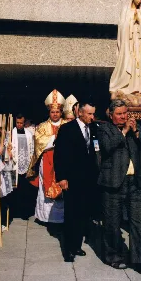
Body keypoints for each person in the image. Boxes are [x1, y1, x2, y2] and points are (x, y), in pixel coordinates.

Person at [97, 99, 141, 273]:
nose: (123, 117)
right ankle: (114, 256)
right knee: (112, 222)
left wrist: (136, 132)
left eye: (125, 113)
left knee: (138, 222)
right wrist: (124, 132)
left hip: (134, 183)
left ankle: (139, 260)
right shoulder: (104, 129)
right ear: (111, 115)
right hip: (113, 183)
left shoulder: (135, 128)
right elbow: (107, 147)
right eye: (119, 114)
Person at [54, 102, 99, 262]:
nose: (92, 117)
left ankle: (77, 245)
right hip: (72, 179)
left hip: (88, 180)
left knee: (83, 214)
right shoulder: (67, 129)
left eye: (93, 114)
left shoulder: (93, 129)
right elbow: (59, 155)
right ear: (80, 113)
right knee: (72, 214)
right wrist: (62, 177)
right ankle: (68, 250)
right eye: (89, 114)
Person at [27, 89, 66, 224]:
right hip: (47, 160)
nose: (55, 114)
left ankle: (61, 218)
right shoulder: (43, 126)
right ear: (49, 112)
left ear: (61, 112)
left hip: (63, 161)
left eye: (57, 112)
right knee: (46, 186)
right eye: (52, 112)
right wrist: (56, 138)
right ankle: (45, 217)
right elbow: (39, 142)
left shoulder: (67, 125)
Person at [109, 0, 141, 97]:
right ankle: (122, 86)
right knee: (127, 61)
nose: (139, 0)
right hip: (128, 43)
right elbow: (122, 26)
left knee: (138, 63)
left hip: (137, 42)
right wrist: (132, 21)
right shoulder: (126, 10)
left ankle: (136, 87)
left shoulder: (140, 12)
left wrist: (139, 21)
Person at [7, 113, 35, 219]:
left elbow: (31, 148)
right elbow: (7, 148)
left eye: (21, 123)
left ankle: (24, 213)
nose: (19, 125)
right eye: (17, 123)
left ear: (24, 122)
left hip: (25, 165)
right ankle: (14, 212)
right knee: (15, 189)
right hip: (15, 165)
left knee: (25, 190)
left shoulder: (28, 133)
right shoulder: (11, 134)